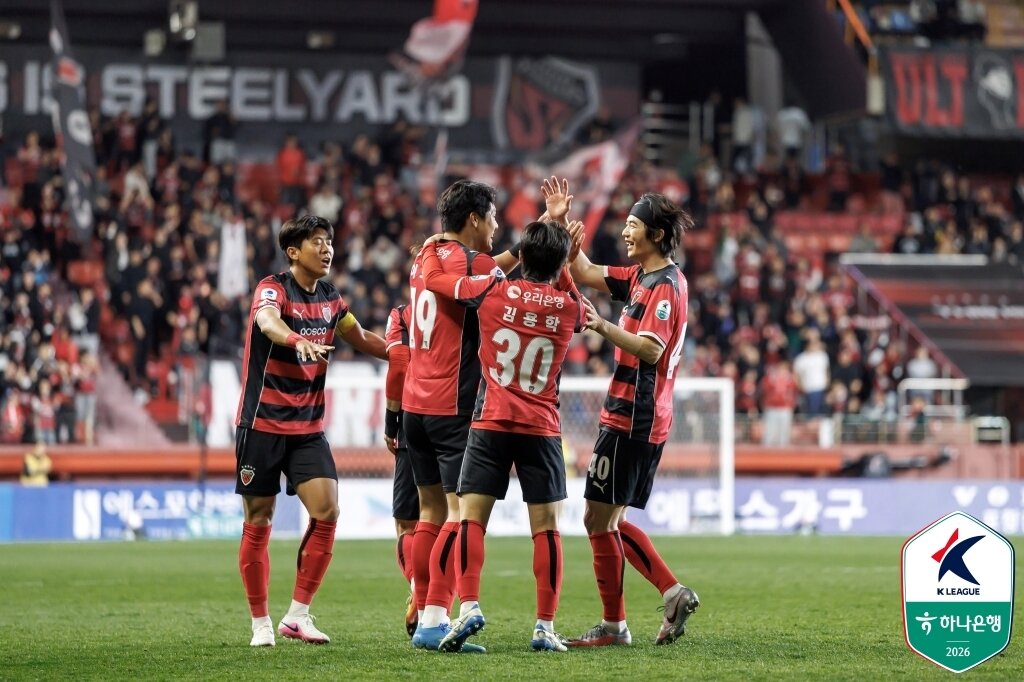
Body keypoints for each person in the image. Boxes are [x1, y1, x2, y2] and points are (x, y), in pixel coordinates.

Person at [405, 177, 572, 651]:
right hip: (458, 401)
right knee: (459, 515)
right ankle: (437, 616)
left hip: (417, 401)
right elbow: (504, 272)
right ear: (475, 219)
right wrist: (551, 237)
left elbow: (496, 272)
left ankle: (427, 609)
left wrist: (545, 227)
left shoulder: (428, 253)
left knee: (431, 513)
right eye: (494, 217)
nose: (498, 226)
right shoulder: (479, 269)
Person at [234, 214, 388, 647]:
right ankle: (260, 623)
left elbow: (361, 338)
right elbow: (267, 321)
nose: (327, 249)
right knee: (258, 519)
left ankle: (297, 615)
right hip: (261, 425)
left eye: (329, 242)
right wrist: (294, 339)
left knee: (327, 510)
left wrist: (408, 355)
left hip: (307, 428)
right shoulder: (272, 288)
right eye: (317, 242)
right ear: (293, 251)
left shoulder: (331, 298)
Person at [567, 192, 700, 647]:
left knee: (598, 520)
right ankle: (670, 593)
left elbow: (651, 349)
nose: (624, 231)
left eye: (632, 225)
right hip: (638, 416)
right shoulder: (641, 277)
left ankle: (615, 626)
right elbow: (583, 271)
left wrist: (601, 325)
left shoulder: (663, 286)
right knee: (609, 519)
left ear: (656, 234)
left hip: (633, 417)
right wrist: (566, 231)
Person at [382, 302, 420, 638]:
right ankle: (446, 604)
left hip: (416, 413)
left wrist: (390, 421)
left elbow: (398, 363)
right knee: (452, 516)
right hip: (464, 420)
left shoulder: (405, 314)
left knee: (407, 523)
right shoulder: (472, 300)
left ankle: (418, 586)